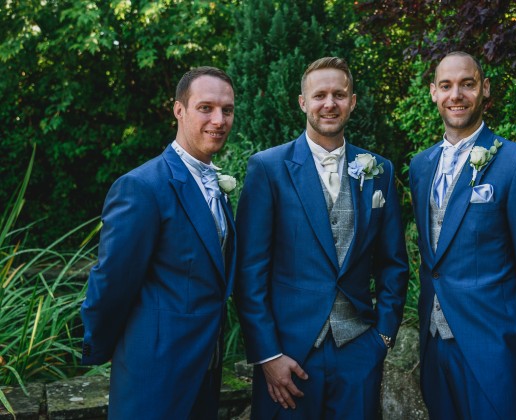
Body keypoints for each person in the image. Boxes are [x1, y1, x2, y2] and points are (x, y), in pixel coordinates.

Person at [234, 56, 409, 419]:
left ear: (352, 101)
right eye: (319, 95)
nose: (329, 103)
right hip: (288, 355)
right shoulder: (267, 168)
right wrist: (268, 355)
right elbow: (249, 271)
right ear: (303, 102)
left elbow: (393, 262)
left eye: (339, 94)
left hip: (359, 351)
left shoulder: (379, 170)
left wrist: (383, 338)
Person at [408, 51, 516, 419]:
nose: (456, 95)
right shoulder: (420, 166)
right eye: (446, 86)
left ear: (485, 89)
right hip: (434, 346)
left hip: (493, 346)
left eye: (467, 84)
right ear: (433, 92)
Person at [80, 66, 237, 419]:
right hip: (153, 374)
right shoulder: (142, 186)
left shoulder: (215, 187)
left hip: (205, 369)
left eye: (227, 110)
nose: (219, 119)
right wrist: (112, 350)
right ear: (178, 110)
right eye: (205, 107)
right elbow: (112, 281)